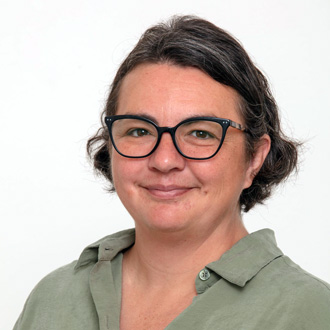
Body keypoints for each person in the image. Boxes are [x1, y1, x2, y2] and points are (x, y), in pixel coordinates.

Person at [14, 15, 330, 330]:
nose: (164, 161)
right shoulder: (52, 298)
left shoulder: (307, 312)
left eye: (201, 133)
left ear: (254, 158)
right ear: (110, 146)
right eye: (139, 131)